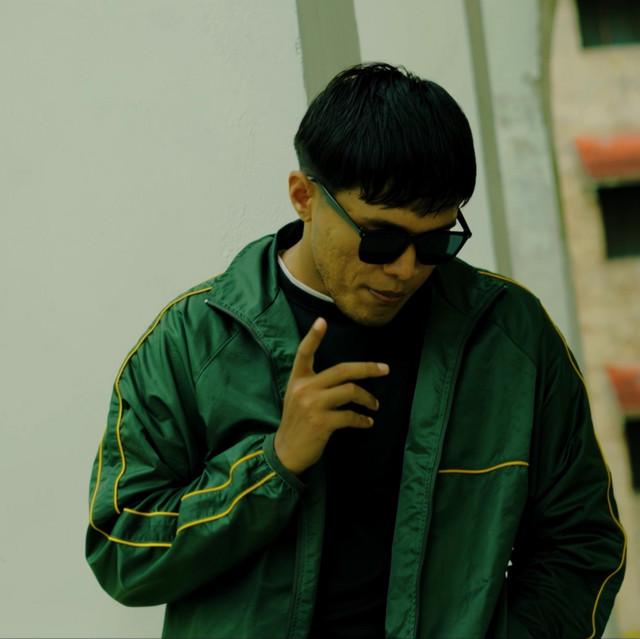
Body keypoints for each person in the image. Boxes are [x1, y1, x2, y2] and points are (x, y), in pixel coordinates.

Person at [86, 62, 626, 639]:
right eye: (381, 238)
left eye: (436, 241)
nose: (405, 269)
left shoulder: (509, 337)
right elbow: (123, 552)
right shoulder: (193, 342)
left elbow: (581, 544)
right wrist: (274, 462)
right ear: (304, 196)